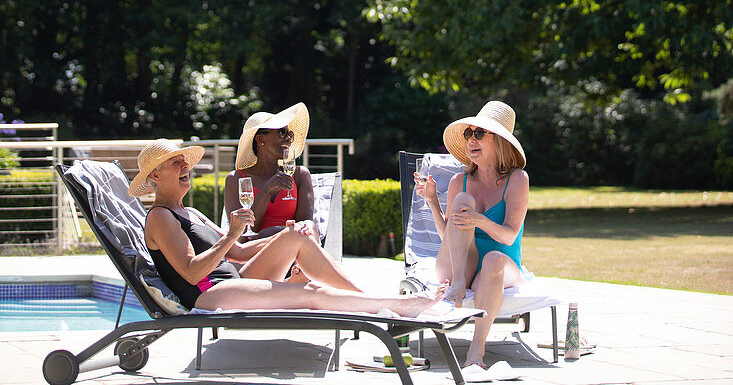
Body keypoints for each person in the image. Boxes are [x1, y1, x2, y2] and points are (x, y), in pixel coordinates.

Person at [133, 138, 448, 316]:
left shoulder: (191, 212)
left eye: (184, 161)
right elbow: (191, 273)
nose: (185, 167)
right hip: (209, 293)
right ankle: (395, 307)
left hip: (235, 278)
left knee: (296, 235)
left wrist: (284, 235)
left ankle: (371, 304)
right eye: (176, 163)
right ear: (155, 177)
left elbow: (239, 251)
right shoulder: (160, 217)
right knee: (308, 291)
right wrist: (230, 233)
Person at [415, 101, 529, 372]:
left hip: (500, 261)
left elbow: (510, 237)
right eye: (469, 134)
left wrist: (479, 220)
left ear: (499, 141)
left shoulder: (517, 179)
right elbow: (449, 236)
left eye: (479, 133)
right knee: (464, 199)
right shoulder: (459, 182)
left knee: (492, 259)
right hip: (460, 267)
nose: (471, 140)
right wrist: (432, 201)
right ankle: (457, 286)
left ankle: (476, 350)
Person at [224, 103, 317, 242]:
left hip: (292, 249)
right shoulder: (236, 179)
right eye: (282, 132)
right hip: (253, 253)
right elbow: (242, 236)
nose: (288, 138)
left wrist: (276, 234)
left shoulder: (300, 175)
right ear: (260, 139)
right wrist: (267, 190)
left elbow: (304, 227)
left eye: (289, 134)